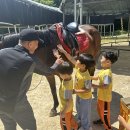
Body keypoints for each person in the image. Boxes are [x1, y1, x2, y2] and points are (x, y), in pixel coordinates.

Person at [0, 28, 62, 130]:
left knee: (9, 127)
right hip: (17, 104)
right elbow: (48, 71)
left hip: (1, 104)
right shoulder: (30, 60)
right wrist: (57, 63)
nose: (38, 46)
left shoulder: (2, 52)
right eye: (37, 43)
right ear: (30, 44)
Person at [57, 44, 95, 130]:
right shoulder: (78, 67)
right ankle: (80, 122)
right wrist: (63, 51)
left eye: (78, 60)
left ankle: (86, 127)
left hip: (85, 98)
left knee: (85, 113)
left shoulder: (86, 77)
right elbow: (70, 58)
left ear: (83, 65)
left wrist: (74, 91)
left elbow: (88, 89)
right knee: (79, 111)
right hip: (79, 95)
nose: (76, 61)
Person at [92, 51, 118, 130]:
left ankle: (108, 127)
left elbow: (106, 86)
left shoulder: (107, 73)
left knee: (105, 114)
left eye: (102, 58)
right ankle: (102, 120)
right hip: (101, 97)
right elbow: (97, 78)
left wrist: (94, 85)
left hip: (105, 99)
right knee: (99, 110)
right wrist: (88, 77)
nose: (100, 60)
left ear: (108, 62)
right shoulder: (103, 70)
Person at [56, 61, 78, 130]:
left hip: (66, 108)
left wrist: (63, 112)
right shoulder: (69, 77)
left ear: (65, 75)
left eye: (60, 74)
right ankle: (75, 127)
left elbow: (68, 101)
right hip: (70, 107)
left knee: (65, 123)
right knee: (70, 118)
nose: (59, 75)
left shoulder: (66, 87)